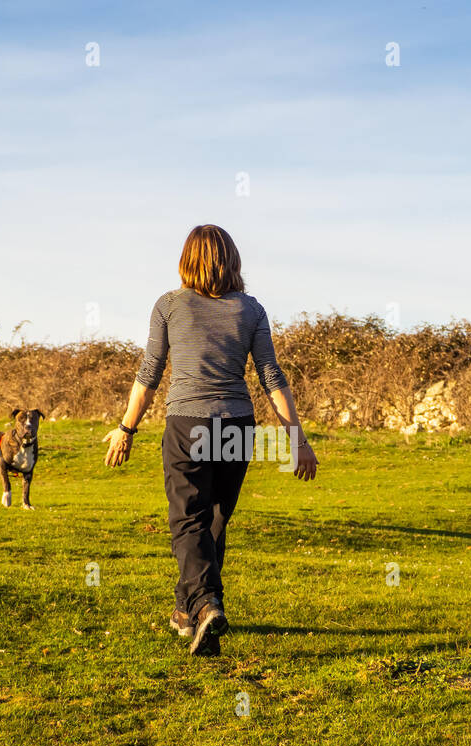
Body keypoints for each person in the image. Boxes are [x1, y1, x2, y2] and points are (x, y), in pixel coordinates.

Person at [103, 224, 318, 655]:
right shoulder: (251, 310)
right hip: (238, 424)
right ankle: (187, 611)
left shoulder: (169, 305)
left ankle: (205, 606)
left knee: (188, 519)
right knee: (214, 519)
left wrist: (126, 429)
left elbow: (149, 375)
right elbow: (271, 377)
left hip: (188, 424)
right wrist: (297, 439)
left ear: (186, 259)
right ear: (233, 260)